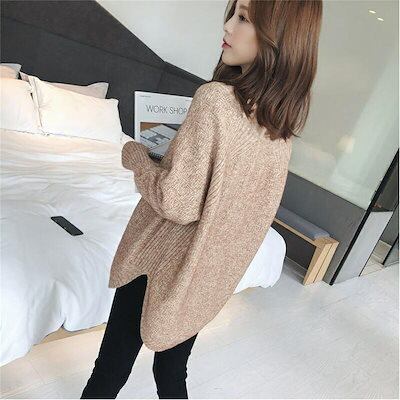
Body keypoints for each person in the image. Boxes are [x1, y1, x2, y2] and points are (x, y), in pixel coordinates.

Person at [81, 0, 323, 398]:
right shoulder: (280, 127)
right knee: (172, 372)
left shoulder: (215, 100)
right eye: (232, 13)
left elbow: (176, 203)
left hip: (158, 261)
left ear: (278, 37)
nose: (227, 26)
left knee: (109, 370)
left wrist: (137, 158)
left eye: (243, 18)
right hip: (205, 275)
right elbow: (241, 205)